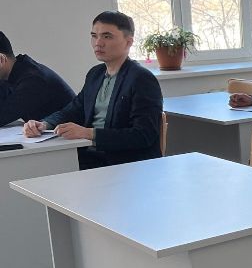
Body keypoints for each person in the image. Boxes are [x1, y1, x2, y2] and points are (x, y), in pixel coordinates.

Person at [24, 12, 163, 169]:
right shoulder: (95, 74)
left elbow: (144, 135)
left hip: (125, 163)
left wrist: (88, 133)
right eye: (94, 36)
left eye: (107, 37)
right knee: (38, 165)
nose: (98, 43)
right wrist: (44, 124)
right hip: (91, 156)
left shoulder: (141, 78)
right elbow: (73, 110)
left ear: (128, 42)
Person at [0, 31, 75, 127]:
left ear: (1, 60)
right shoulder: (11, 74)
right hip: (50, 134)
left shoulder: (33, 79)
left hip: (73, 134)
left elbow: (3, 115)